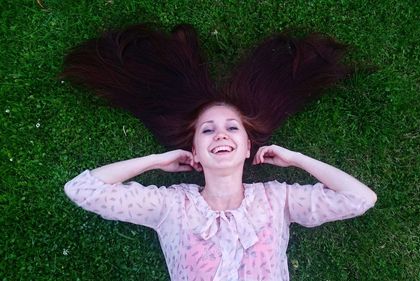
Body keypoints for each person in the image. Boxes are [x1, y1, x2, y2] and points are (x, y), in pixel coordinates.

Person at [61, 23, 377, 281]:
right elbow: (82, 189)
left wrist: (296, 159)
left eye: (232, 127)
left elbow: (360, 198)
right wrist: (156, 161)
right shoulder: (170, 206)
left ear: (247, 148)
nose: (221, 134)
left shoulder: (278, 200)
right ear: (194, 151)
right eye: (208, 130)